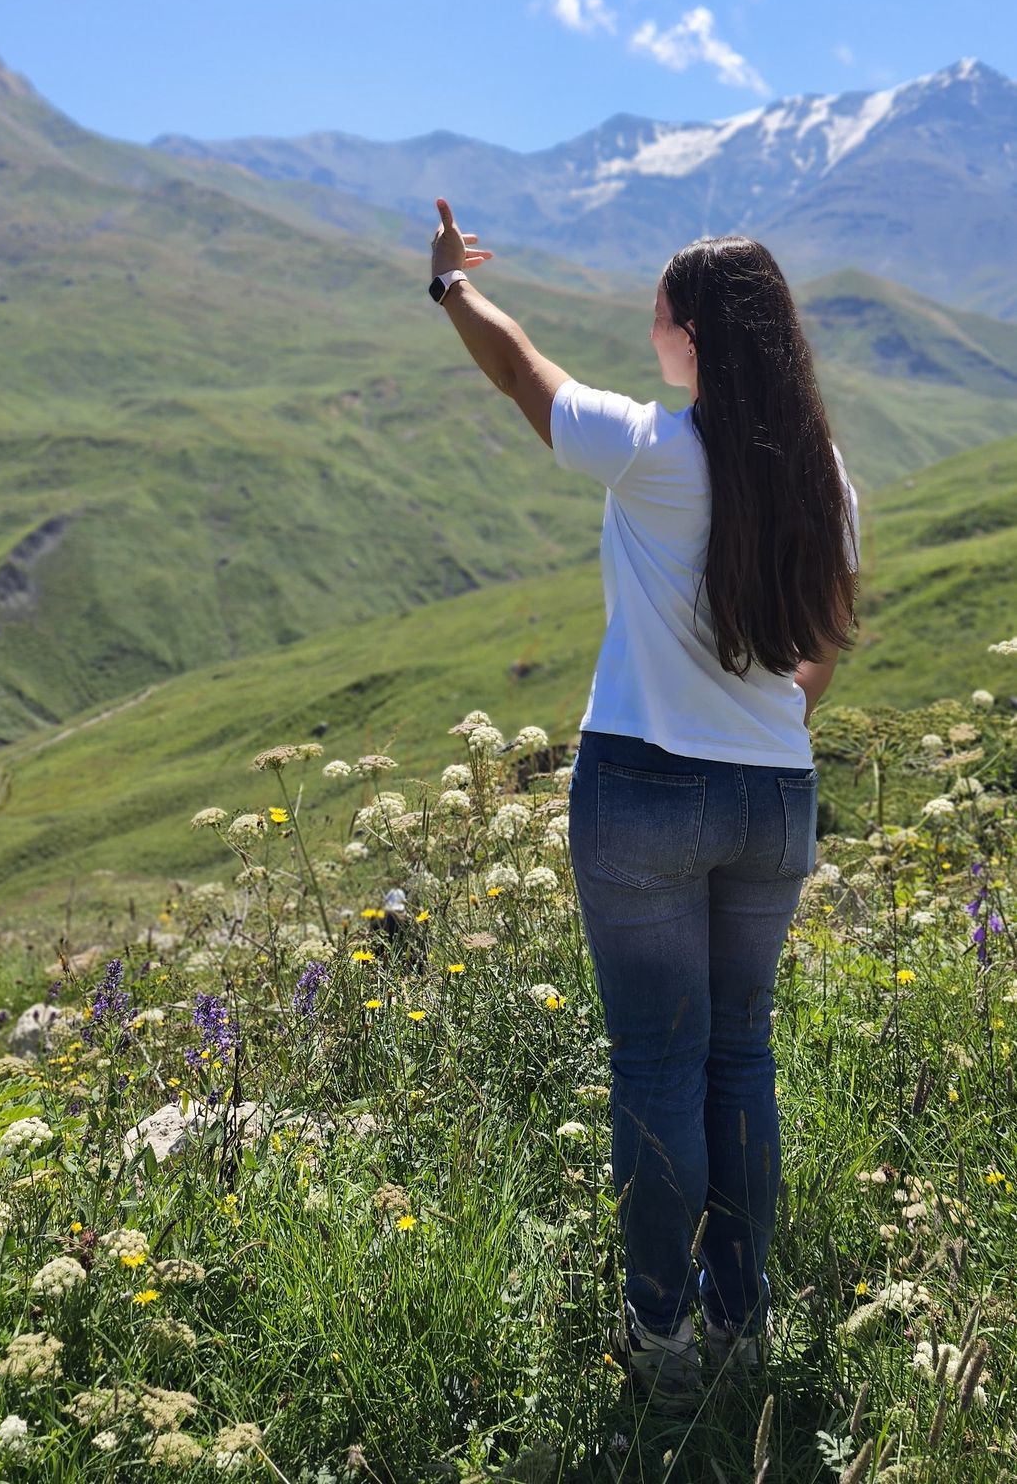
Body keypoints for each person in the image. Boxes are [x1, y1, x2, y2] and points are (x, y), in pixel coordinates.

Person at [427, 196, 861, 1415]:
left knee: (658, 1066)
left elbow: (520, 370)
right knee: (740, 1056)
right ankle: (741, 1323)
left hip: (646, 788)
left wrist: (451, 285)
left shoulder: (649, 450)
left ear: (692, 335)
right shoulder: (824, 476)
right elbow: (822, 647)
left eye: (658, 315)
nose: (648, 331)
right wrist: (763, 723)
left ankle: (660, 1337)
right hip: (774, 797)